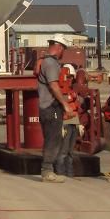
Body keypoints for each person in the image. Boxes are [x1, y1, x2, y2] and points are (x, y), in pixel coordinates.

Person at [37, 34, 75, 183]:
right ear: (59, 47)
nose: (63, 52)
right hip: (50, 107)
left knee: (51, 138)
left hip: (46, 106)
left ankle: (48, 170)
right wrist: (65, 104)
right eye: (63, 49)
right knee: (53, 139)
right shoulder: (51, 64)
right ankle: (47, 171)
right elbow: (53, 85)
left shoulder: (45, 62)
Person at [54, 64, 80, 177]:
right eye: (68, 77)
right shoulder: (59, 92)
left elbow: (76, 107)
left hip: (73, 122)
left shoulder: (71, 92)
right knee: (63, 151)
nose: (70, 80)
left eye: (71, 77)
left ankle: (70, 174)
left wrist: (79, 124)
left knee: (70, 152)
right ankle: (60, 172)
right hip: (64, 123)